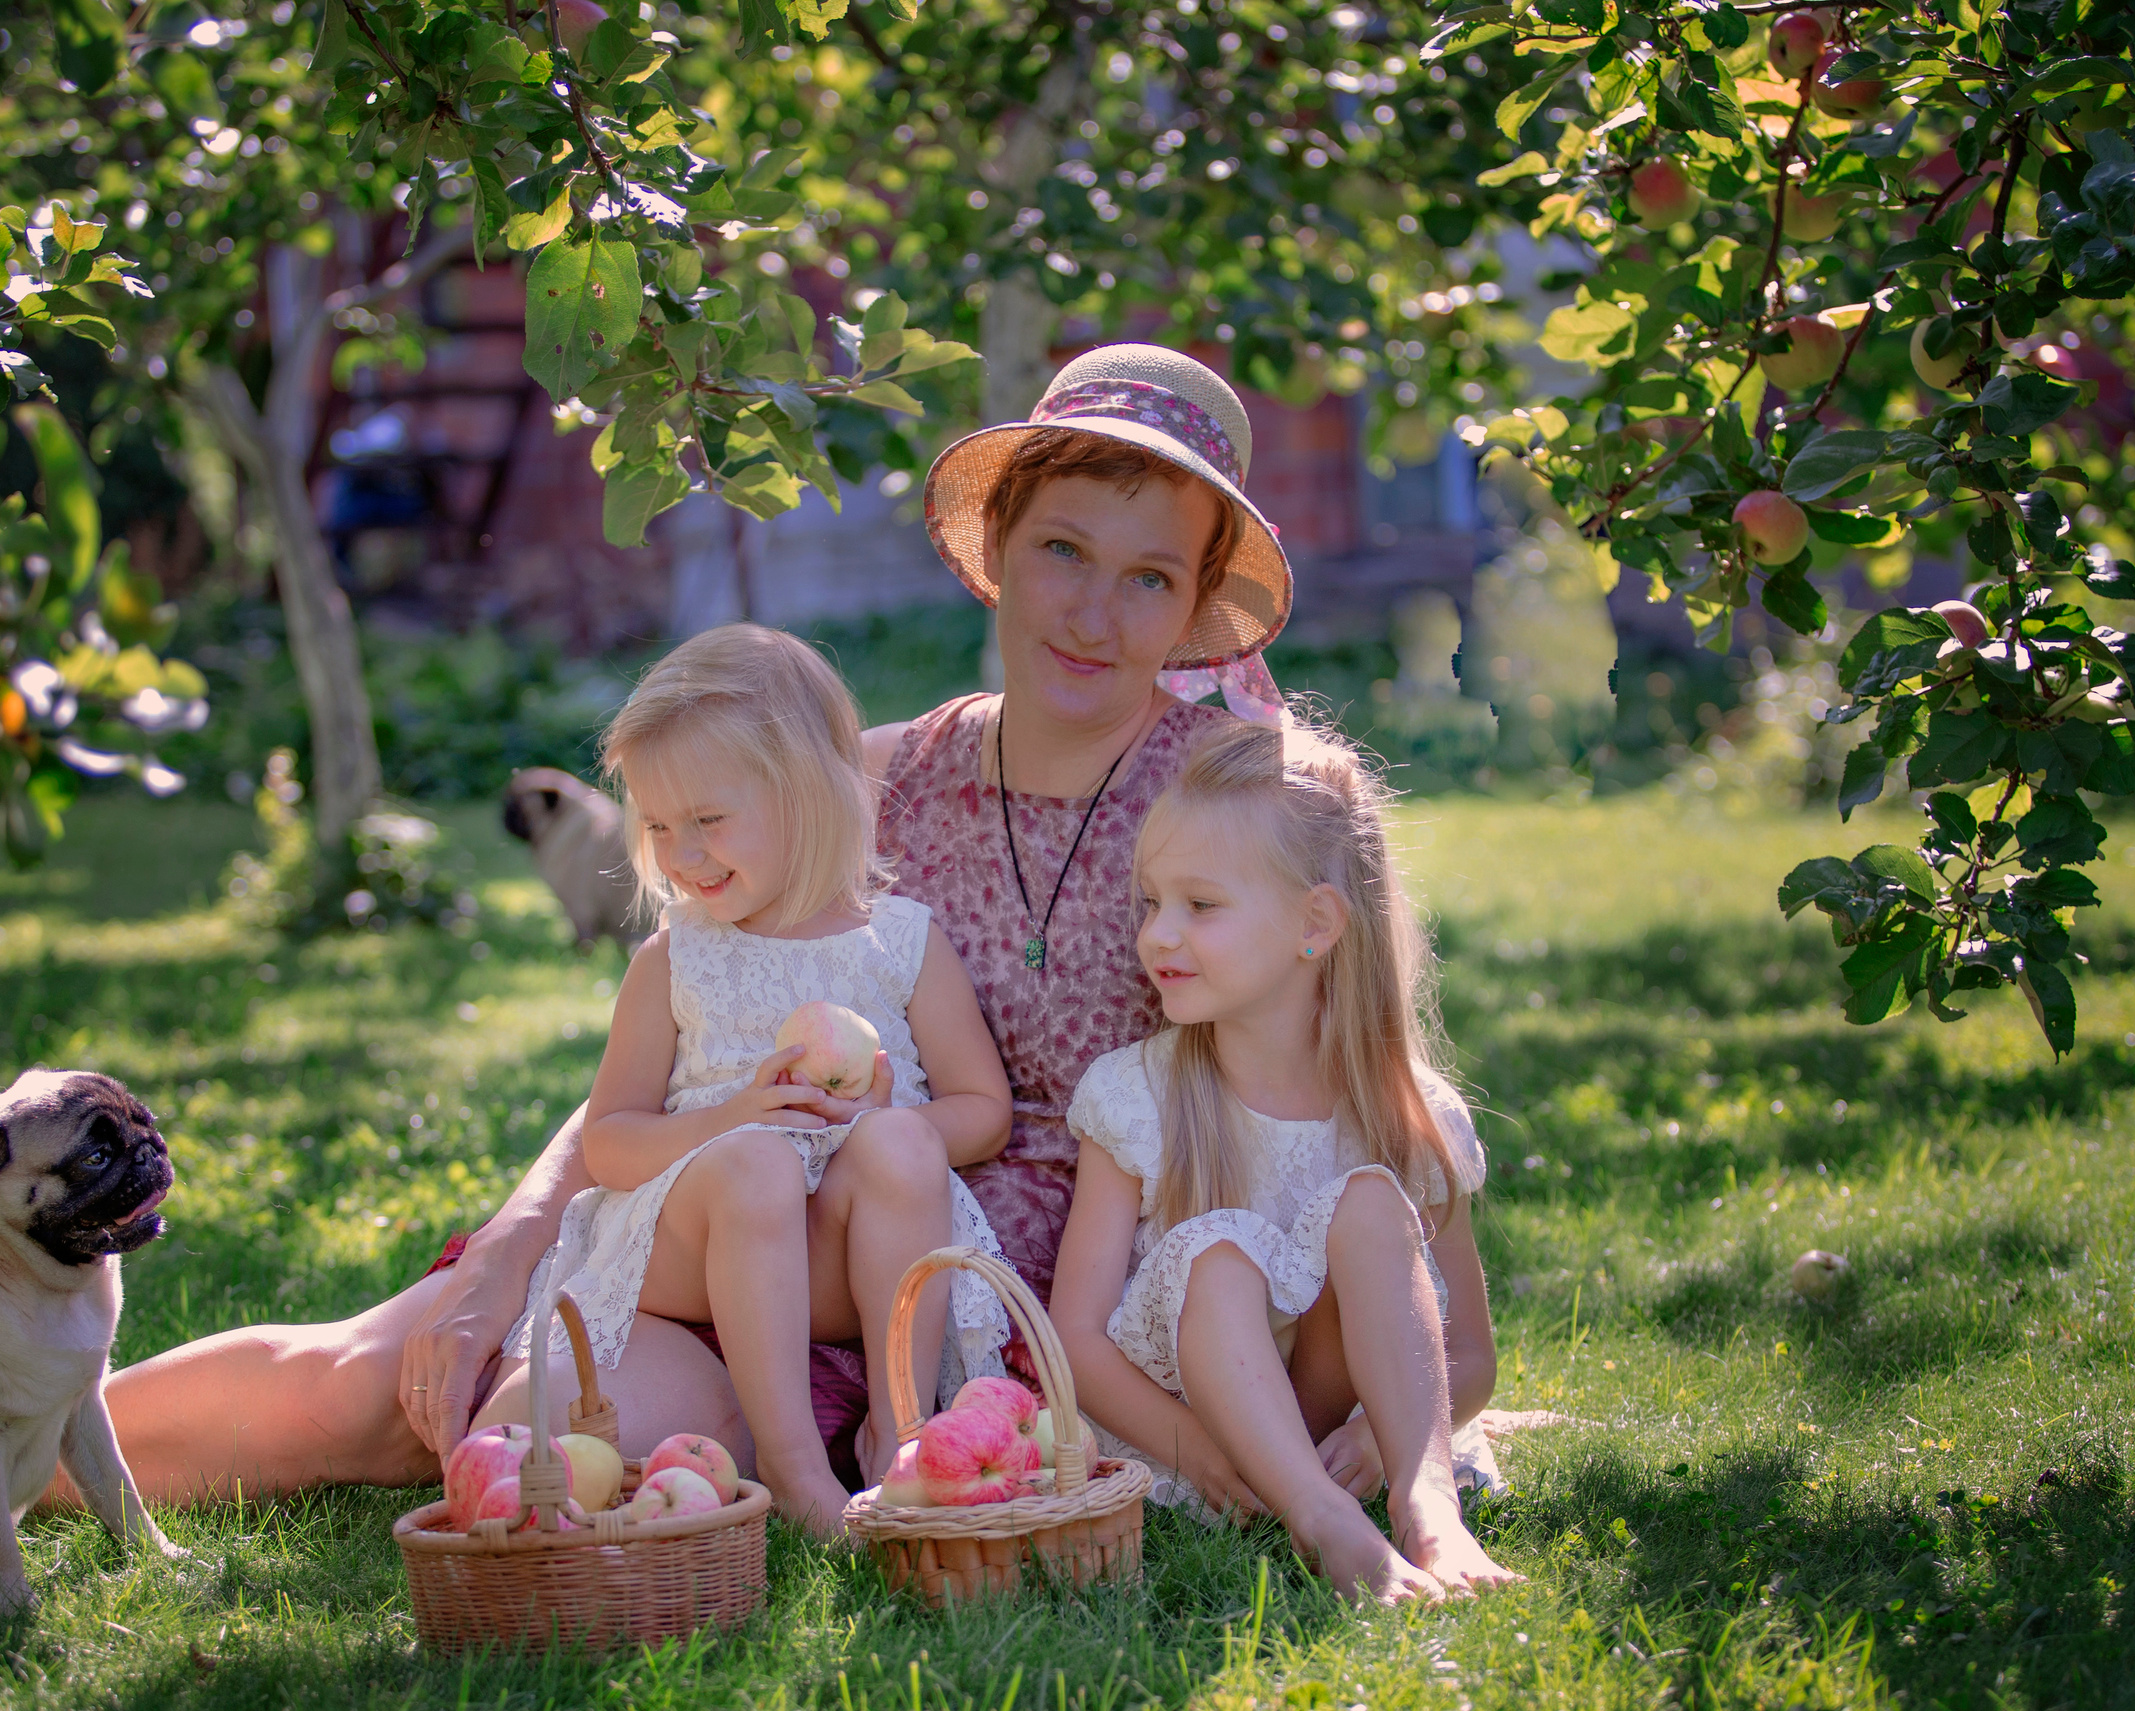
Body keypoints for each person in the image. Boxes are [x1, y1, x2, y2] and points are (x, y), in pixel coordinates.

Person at [87, 345, 1455, 1524]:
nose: (1096, 613)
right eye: (1062, 552)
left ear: (1198, 598)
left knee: (551, 1450)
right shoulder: (870, 783)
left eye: (1150, 578)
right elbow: (696, 1022)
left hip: (1059, 1323)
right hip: (784, 1257)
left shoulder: (1239, 803)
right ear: (1002, 547)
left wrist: (1424, 1387)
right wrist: (509, 1247)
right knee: (380, 1398)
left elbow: (1368, 1079)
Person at [476, 625, 1011, 1535]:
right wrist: (727, 1118)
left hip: (845, 1253)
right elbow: (608, 1143)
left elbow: (985, 1113)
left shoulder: (902, 942)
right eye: (658, 827)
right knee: (758, 1159)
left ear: (804, 796)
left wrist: (889, 1112)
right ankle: (799, 1472)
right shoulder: (675, 959)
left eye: (709, 822)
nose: (682, 855)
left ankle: (902, 1433)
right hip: (693, 1241)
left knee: (898, 1141)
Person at [1052, 721, 1520, 1601]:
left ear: (1315, 925)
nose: (1158, 934)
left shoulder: (1413, 1117)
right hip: (1200, 1444)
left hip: (1347, 1432)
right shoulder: (1134, 1098)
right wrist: (1198, 1451)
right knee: (1216, 1251)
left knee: (1372, 1204)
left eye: (1200, 905)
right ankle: (1330, 1529)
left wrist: (1385, 1447)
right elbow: (1074, 1337)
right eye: (1151, 902)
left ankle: (1429, 1515)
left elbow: (1470, 1359)